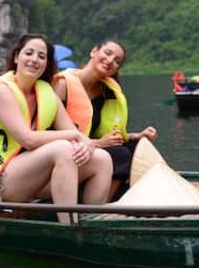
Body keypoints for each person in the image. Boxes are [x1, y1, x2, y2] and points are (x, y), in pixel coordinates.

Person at [0, 34, 112, 224]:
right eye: (29, 53)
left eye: (42, 56)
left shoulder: (46, 92)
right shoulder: (1, 91)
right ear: (17, 57)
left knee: (102, 159)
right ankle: (71, 227)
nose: (35, 60)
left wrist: (86, 145)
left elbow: (77, 137)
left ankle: (92, 222)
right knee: (62, 149)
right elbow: (28, 140)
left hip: (28, 178)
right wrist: (74, 136)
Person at [52, 40, 156, 201]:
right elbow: (51, 131)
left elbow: (102, 133)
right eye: (107, 53)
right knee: (120, 154)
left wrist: (137, 136)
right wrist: (99, 143)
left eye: (117, 61)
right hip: (67, 151)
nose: (110, 61)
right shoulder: (63, 84)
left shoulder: (105, 91)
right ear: (94, 51)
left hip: (91, 148)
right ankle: (101, 204)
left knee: (135, 148)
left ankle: (109, 198)